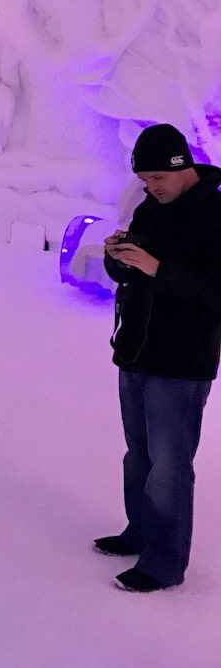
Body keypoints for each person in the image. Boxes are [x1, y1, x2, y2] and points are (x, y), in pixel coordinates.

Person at [97, 123, 221, 592]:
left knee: (169, 465)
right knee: (139, 456)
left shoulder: (214, 213)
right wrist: (118, 257)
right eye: (143, 179)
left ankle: (165, 564)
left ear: (181, 165)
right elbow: (131, 274)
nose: (150, 187)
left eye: (157, 177)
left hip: (182, 361)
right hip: (136, 349)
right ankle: (141, 532)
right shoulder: (150, 207)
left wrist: (158, 269)